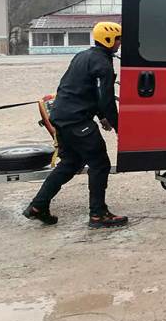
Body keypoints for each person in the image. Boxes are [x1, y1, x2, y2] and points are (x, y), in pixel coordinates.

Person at [24, 22, 128, 229]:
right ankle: (98, 214)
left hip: (62, 117)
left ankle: (37, 206)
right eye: (118, 39)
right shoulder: (103, 64)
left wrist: (101, 116)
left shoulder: (83, 56)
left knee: (70, 164)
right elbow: (106, 99)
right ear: (109, 40)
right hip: (77, 121)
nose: (120, 43)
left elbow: (84, 90)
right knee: (100, 164)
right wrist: (119, 127)